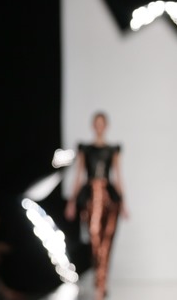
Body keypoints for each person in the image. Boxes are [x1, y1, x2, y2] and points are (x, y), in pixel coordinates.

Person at [64, 111, 127, 300]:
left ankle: (101, 285)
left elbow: (118, 177)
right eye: (97, 123)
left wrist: (124, 204)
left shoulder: (113, 150)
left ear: (106, 126)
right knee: (94, 239)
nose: (99, 126)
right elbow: (78, 176)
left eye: (102, 123)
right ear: (93, 126)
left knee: (107, 240)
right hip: (90, 197)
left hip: (110, 198)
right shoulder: (85, 149)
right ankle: (99, 281)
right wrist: (72, 202)